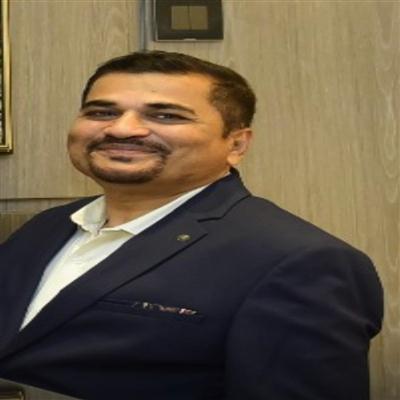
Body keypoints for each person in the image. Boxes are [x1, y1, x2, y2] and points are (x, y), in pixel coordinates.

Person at [0, 51, 382, 400]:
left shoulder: (302, 261)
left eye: (166, 115)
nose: (121, 129)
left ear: (236, 144)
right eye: (101, 112)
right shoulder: (47, 227)